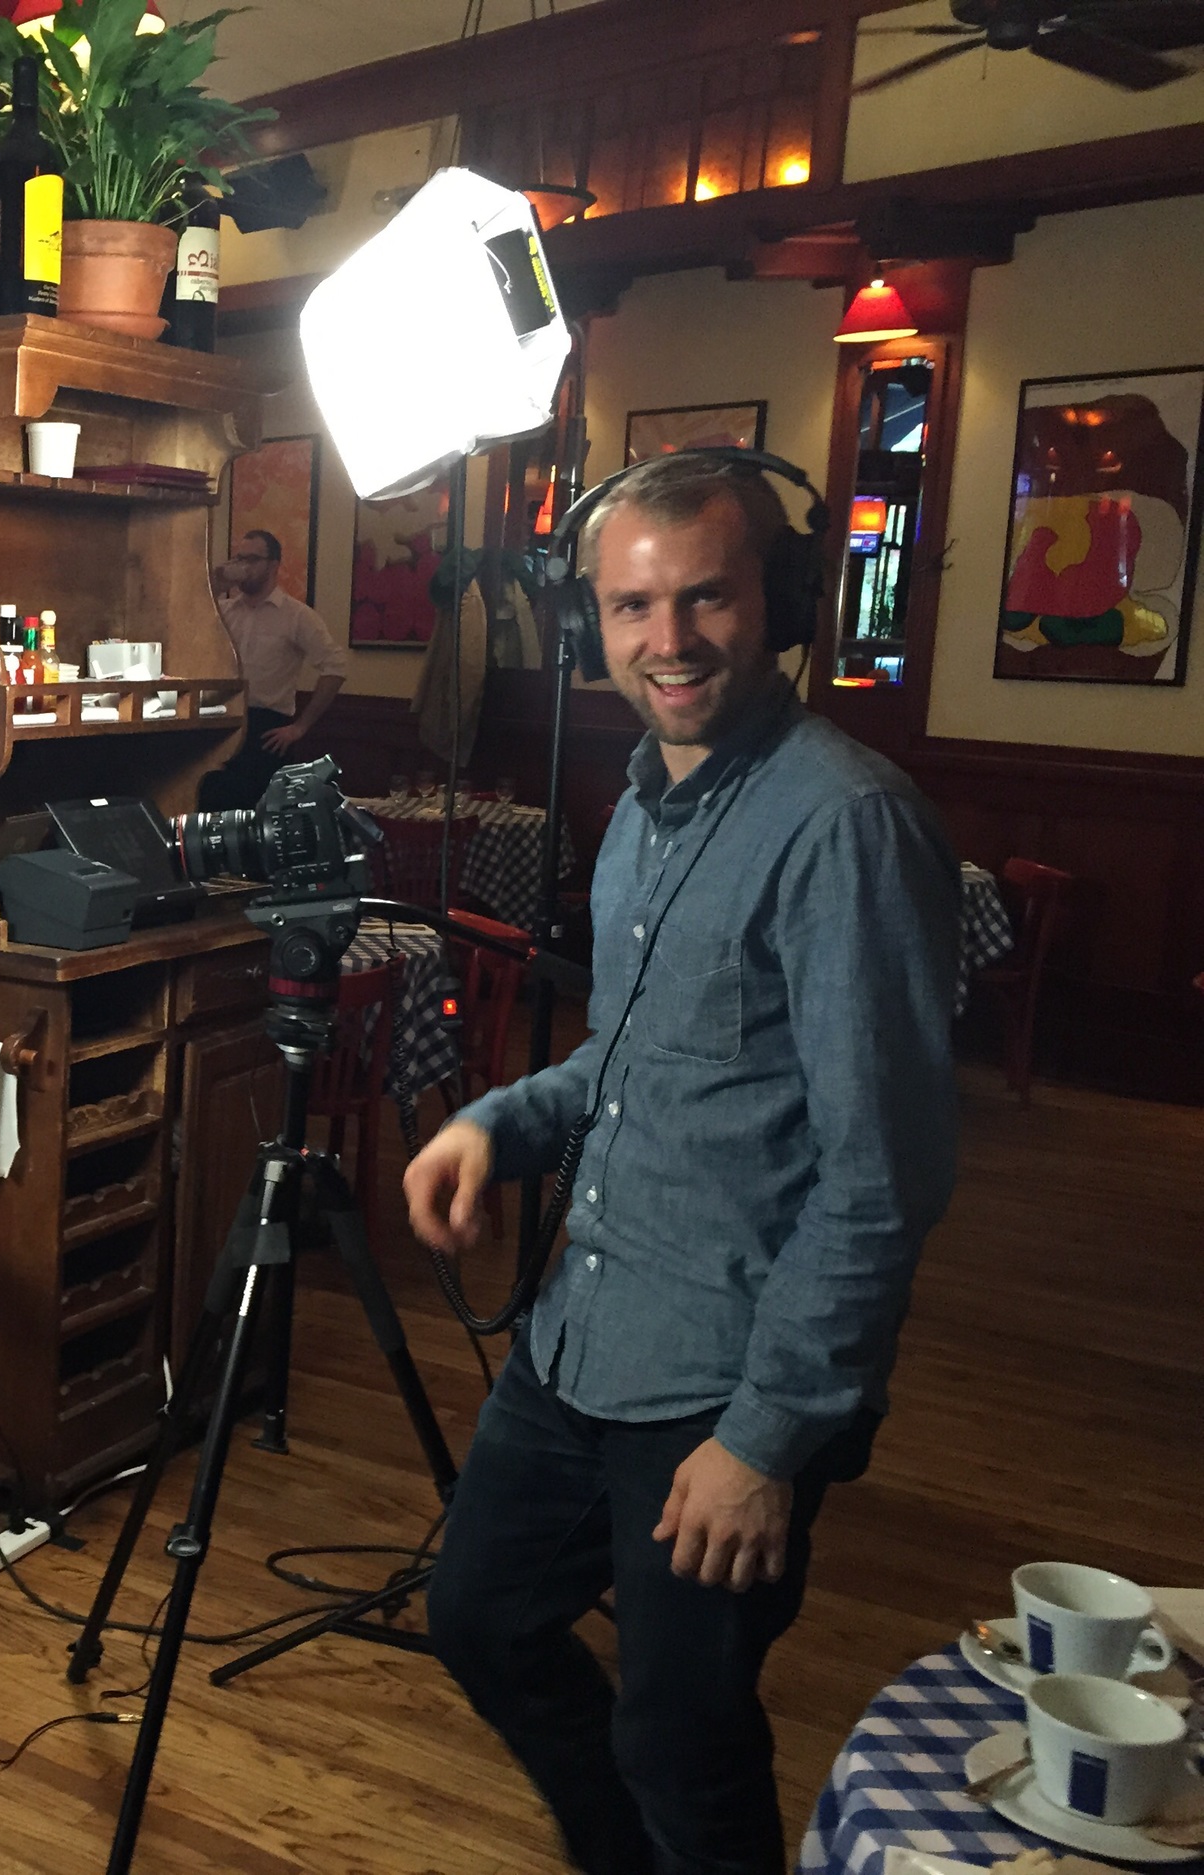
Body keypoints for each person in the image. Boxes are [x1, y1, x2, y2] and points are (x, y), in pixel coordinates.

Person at [405, 452, 959, 1875]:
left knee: (683, 1731)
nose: (669, 638)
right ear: (590, 616)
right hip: (583, 1329)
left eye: (704, 595)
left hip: (723, 1374)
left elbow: (882, 1174)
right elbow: (641, 1060)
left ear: (777, 599)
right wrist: (493, 1120)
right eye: (633, 604)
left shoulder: (844, 820)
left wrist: (768, 1436)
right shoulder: (646, 800)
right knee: (478, 1612)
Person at [202, 528, 347, 810]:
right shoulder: (224, 611)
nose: (243, 566)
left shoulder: (296, 616)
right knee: (212, 806)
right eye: (239, 558)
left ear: (273, 565)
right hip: (220, 720)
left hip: (265, 729)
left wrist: (300, 727)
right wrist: (214, 586)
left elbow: (336, 666)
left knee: (257, 818)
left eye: (252, 559)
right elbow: (187, 629)